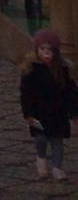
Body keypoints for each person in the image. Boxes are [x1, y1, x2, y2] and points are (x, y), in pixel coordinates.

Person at [20, 28, 78, 183]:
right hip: (38, 112)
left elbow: (70, 93)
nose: (46, 53)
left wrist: (73, 113)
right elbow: (26, 94)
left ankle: (57, 168)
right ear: (37, 49)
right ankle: (41, 159)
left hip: (58, 112)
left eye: (50, 50)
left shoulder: (62, 70)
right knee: (41, 139)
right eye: (42, 49)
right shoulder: (31, 70)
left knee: (57, 141)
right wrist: (28, 113)